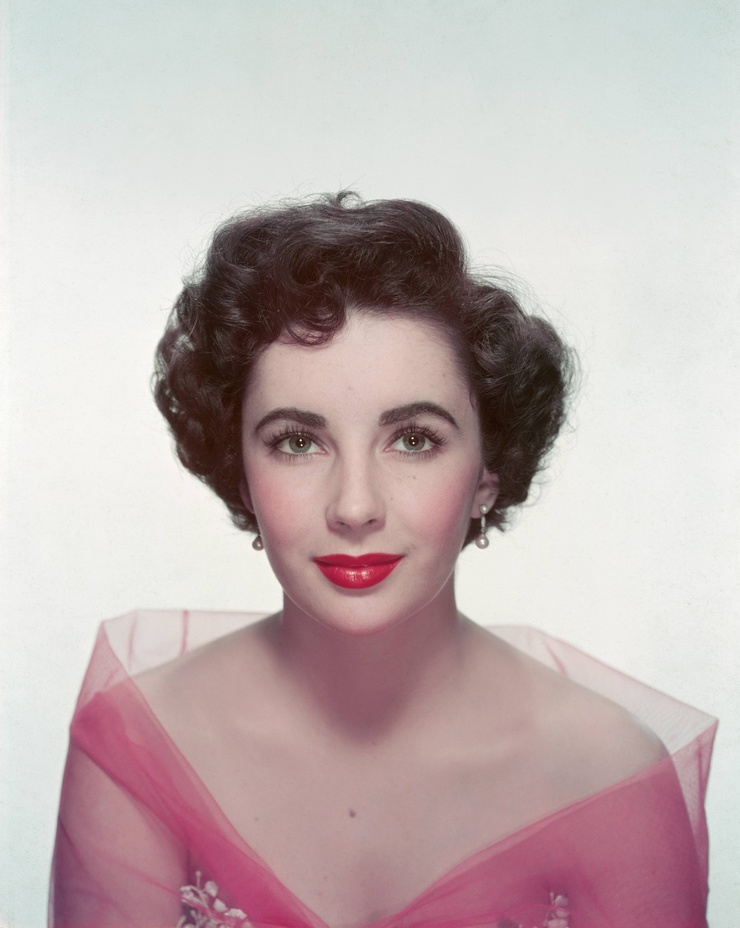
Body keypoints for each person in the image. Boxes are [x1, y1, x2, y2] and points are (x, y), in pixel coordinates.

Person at [50, 193, 716, 928]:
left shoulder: (606, 773)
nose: (355, 505)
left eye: (414, 440)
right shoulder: (144, 746)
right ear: (240, 474)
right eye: (297, 442)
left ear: (488, 474)